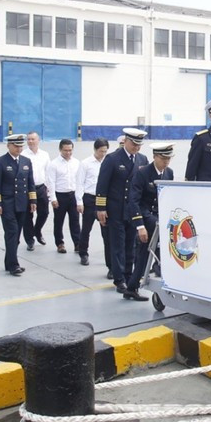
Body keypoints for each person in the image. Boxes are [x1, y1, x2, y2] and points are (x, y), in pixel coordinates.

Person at [96, 128, 148, 293]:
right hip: (116, 208)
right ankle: (119, 279)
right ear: (125, 141)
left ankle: (128, 274)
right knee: (118, 245)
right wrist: (101, 208)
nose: (136, 147)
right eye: (134, 144)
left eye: (139, 144)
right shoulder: (113, 159)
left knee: (131, 244)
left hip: (133, 210)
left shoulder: (142, 159)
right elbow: (102, 184)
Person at [123, 143, 174, 301]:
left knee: (146, 252)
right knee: (149, 250)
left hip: (161, 217)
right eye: (163, 158)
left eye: (168, 158)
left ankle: (132, 287)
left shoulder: (169, 173)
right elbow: (134, 201)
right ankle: (158, 273)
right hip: (146, 216)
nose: (166, 162)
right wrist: (140, 226)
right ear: (155, 157)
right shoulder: (143, 173)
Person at [0, 134, 36, 276]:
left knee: (16, 236)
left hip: (22, 203)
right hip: (7, 204)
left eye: (20, 146)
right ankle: (14, 265)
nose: (18, 148)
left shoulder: (26, 161)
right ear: (8, 146)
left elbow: (30, 183)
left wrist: (33, 201)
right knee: (12, 233)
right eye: (16, 146)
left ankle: (8, 262)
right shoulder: (0, 162)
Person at [76, 137, 110, 269]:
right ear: (95, 150)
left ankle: (109, 259)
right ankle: (83, 253)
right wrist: (79, 201)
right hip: (89, 199)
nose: (103, 154)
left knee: (106, 231)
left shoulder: (108, 162)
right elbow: (79, 183)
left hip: (104, 200)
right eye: (101, 151)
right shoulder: (85, 163)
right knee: (86, 228)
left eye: (105, 151)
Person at [45, 139, 81, 254]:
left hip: (73, 195)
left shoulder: (76, 162)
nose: (68, 153)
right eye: (65, 150)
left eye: (70, 150)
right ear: (60, 150)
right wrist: (53, 199)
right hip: (60, 196)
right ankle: (60, 243)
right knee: (59, 221)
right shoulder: (53, 164)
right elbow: (51, 182)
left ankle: (77, 243)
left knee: (75, 220)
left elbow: (79, 181)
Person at [22, 131, 50, 248]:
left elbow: (48, 171)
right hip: (27, 189)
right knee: (27, 216)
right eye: (28, 139)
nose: (30, 141)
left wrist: (48, 187)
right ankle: (29, 240)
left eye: (33, 139)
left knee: (44, 212)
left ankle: (37, 231)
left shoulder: (44, 154)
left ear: (38, 140)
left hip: (41, 187)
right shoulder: (23, 155)